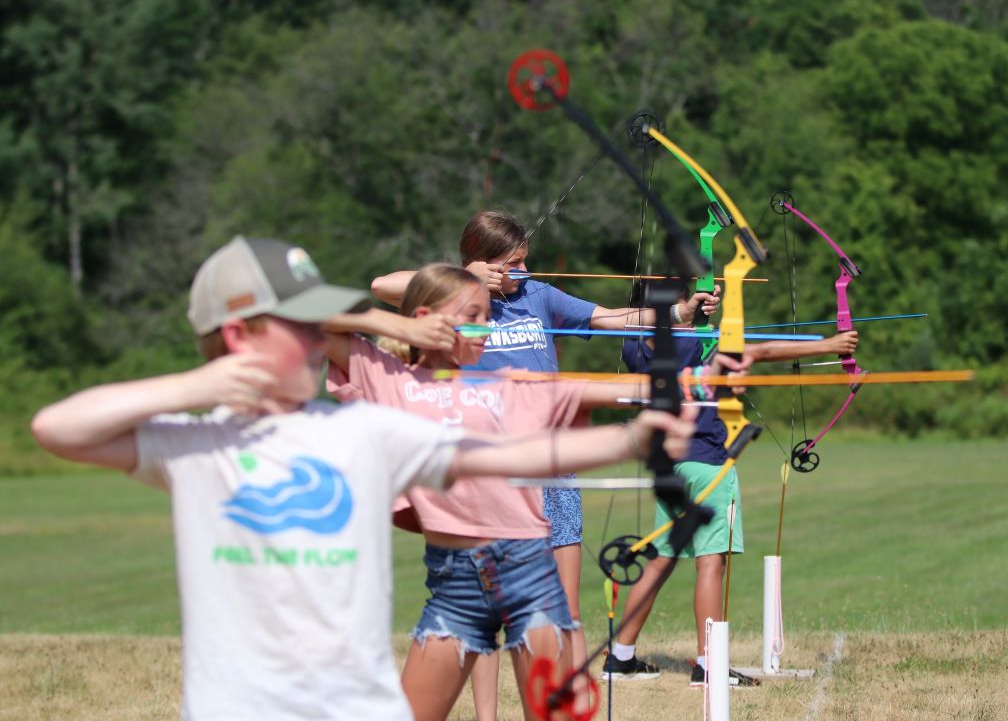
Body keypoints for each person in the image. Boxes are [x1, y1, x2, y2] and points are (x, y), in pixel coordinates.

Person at [29, 235, 697, 721]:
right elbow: (59, 428)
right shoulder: (210, 445)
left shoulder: (361, 432)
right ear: (241, 337)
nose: (321, 340)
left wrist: (633, 435)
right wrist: (205, 382)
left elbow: (496, 457)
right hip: (431, 592)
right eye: (304, 328)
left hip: (475, 608)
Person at [323, 263, 747, 721]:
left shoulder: (509, 385)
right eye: (475, 317)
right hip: (456, 584)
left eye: (489, 315)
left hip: (530, 579)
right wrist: (401, 324)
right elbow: (310, 315)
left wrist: (696, 383)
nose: (488, 329)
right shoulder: (390, 379)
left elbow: (604, 391)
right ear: (427, 317)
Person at [603, 316, 859, 687]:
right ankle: (709, 665)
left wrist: (700, 315)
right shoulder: (697, 345)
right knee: (711, 564)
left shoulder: (637, 349)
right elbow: (761, 350)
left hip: (671, 463)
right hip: (707, 465)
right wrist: (831, 346)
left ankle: (621, 657)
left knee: (659, 560)